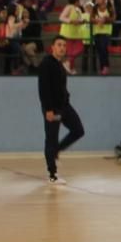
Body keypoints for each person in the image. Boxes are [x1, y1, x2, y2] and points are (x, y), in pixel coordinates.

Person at [38, 36, 85, 184]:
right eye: (59, 45)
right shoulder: (46, 64)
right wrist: (48, 110)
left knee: (78, 130)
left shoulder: (60, 64)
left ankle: (56, 151)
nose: (62, 48)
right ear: (52, 47)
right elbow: (43, 89)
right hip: (53, 109)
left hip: (64, 106)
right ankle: (52, 174)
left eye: (64, 45)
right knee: (51, 139)